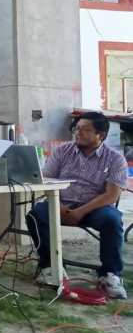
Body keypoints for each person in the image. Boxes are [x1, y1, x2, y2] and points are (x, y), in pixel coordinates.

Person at [26, 111, 127, 299]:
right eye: (77, 128)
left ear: (101, 135)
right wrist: (60, 206)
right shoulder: (63, 151)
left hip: (94, 209)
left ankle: (110, 274)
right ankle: (52, 266)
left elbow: (111, 195)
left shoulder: (115, 159)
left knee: (113, 219)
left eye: (85, 130)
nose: (78, 133)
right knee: (35, 213)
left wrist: (80, 211)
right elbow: (46, 180)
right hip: (60, 204)